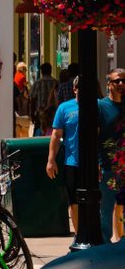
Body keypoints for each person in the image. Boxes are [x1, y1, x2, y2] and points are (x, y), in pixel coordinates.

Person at [46, 76, 80, 231]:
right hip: (72, 161)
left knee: (97, 200)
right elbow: (56, 135)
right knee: (74, 202)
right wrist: (51, 160)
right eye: (79, 86)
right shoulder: (65, 108)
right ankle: (79, 234)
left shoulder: (97, 106)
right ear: (74, 89)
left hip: (95, 162)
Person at [98, 67, 125, 242]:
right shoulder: (101, 106)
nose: (121, 84)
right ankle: (105, 246)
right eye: (117, 81)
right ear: (109, 84)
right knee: (106, 209)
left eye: (124, 81)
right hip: (108, 167)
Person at [30, 62, 58, 136]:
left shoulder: (37, 83)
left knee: (38, 135)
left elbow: (32, 100)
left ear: (41, 71)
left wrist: (32, 114)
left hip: (40, 115)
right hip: (54, 115)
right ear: (50, 71)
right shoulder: (56, 83)